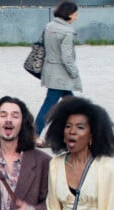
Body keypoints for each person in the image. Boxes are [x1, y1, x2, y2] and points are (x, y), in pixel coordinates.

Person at [34, 1, 82, 147]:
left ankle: (60, 135)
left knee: (72, 105)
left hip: (50, 71)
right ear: (68, 14)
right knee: (50, 106)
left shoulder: (50, 26)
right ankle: (34, 134)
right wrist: (75, 73)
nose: (76, 16)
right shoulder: (67, 32)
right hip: (61, 75)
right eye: (75, 13)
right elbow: (66, 58)